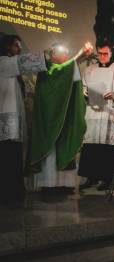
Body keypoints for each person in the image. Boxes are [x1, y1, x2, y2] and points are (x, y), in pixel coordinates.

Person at [30, 43, 93, 192]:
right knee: (51, 150)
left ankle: (65, 184)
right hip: (50, 118)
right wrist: (80, 54)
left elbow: (69, 74)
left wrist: (82, 56)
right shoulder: (47, 68)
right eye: (62, 52)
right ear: (53, 55)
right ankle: (49, 184)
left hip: (64, 117)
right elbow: (62, 72)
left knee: (64, 145)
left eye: (67, 52)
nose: (66, 55)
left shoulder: (65, 69)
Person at [0, 34, 48, 205]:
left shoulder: (9, 67)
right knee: (8, 160)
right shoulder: (4, 62)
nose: (19, 49)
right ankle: (9, 195)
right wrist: (48, 55)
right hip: (6, 125)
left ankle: (12, 194)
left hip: (13, 123)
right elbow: (24, 62)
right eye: (16, 46)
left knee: (12, 160)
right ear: (6, 47)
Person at [78, 42, 114, 191]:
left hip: (110, 112)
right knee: (91, 144)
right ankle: (91, 177)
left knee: (108, 145)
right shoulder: (89, 69)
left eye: (105, 54)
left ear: (111, 54)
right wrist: (84, 92)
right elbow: (83, 87)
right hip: (93, 110)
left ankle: (109, 179)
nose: (102, 56)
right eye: (100, 53)